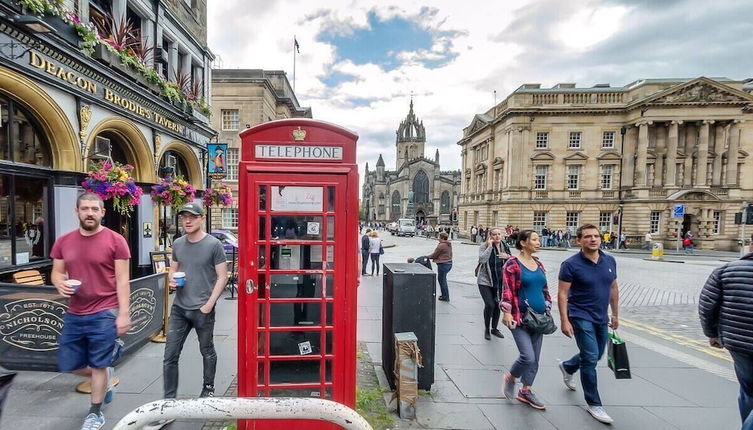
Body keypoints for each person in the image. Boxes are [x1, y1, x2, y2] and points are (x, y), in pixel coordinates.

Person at [50, 192, 131, 430]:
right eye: (85, 208)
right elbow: (56, 271)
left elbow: (122, 279)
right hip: (75, 311)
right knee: (70, 364)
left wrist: (124, 313)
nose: (90, 213)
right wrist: (58, 282)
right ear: (77, 212)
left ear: (102, 213)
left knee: (97, 363)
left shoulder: (116, 241)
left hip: (104, 311)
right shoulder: (64, 241)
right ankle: (105, 378)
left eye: (95, 209)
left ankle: (95, 413)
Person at [145, 202, 228, 430]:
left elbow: (223, 276)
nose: (187, 221)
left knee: (206, 350)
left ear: (202, 219)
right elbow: (174, 269)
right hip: (180, 308)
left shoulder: (213, 245)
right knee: (170, 355)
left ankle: (208, 389)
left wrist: (210, 304)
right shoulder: (178, 243)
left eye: (192, 217)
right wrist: (172, 281)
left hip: (202, 308)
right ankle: (169, 403)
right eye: (183, 217)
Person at [557, 224, 620, 424]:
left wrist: (615, 314)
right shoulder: (570, 264)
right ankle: (594, 404)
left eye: (596, 236)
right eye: (587, 237)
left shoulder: (609, 261)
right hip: (579, 314)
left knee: (597, 353)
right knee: (591, 358)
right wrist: (564, 319)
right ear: (579, 241)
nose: (593, 239)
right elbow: (562, 293)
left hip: (600, 316)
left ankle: (568, 366)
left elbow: (613, 287)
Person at [699, 249, 753, 430]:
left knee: (748, 391)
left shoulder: (725, 271)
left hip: (737, 344)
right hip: (738, 343)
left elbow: (707, 305)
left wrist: (712, 334)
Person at [501, 229, 551, 410]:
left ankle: (526, 391)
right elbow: (507, 289)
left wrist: (547, 306)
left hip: (539, 319)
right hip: (520, 317)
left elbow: (544, 289)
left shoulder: (539, 264)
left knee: (535, 359)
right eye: (535, 240)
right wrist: (506, 312)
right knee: (527, 356)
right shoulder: (512, 264)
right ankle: (511, 377)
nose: (539, 242)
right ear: (523, 243)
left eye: (539, 239)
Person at [477, 228, 510, 338]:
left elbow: (512, 261)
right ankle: (487, 329)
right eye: (494, 234)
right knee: (490, 305)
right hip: (485, 280)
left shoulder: (504, 246)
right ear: (490, 236)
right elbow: (482, 260)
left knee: (497, 305)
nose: (497, 236)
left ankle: (494, 328)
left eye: (499, 234)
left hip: (500, 281)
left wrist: (508, 257)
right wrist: (490, 247)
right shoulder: (484, 246)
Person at [427, 232, 453, 301]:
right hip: (449, 263)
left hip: (443, 264)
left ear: (442, 238)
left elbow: (435, 255)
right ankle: (444, 295)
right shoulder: (448, 244)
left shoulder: (441, 245)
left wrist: (426, 257)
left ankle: (445, 297)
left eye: (439, 237)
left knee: (442, 280)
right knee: (443, 279)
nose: (438, 238)